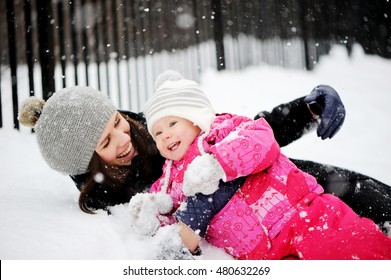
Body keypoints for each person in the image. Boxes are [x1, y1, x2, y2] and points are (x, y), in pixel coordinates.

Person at [17, 78, 390, 255]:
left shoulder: (151, 128)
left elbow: (232, 133)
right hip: (259, 230)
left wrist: (304, 109)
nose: (123, 138)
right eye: (105, 142)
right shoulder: (106, 196)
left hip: (273, 185)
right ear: (88, 163)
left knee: (347, 189)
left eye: (116, 121)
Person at [131, 70, 391, 260]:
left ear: (195, 118)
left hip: (300, 216)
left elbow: (261, 139)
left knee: (353, 249)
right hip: (263, 255)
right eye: (157, 133)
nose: (165, 135)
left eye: (173, 124)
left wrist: (218, 164)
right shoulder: (169, 179)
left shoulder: (224, 130)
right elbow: (175, 216)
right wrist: (151, 212)